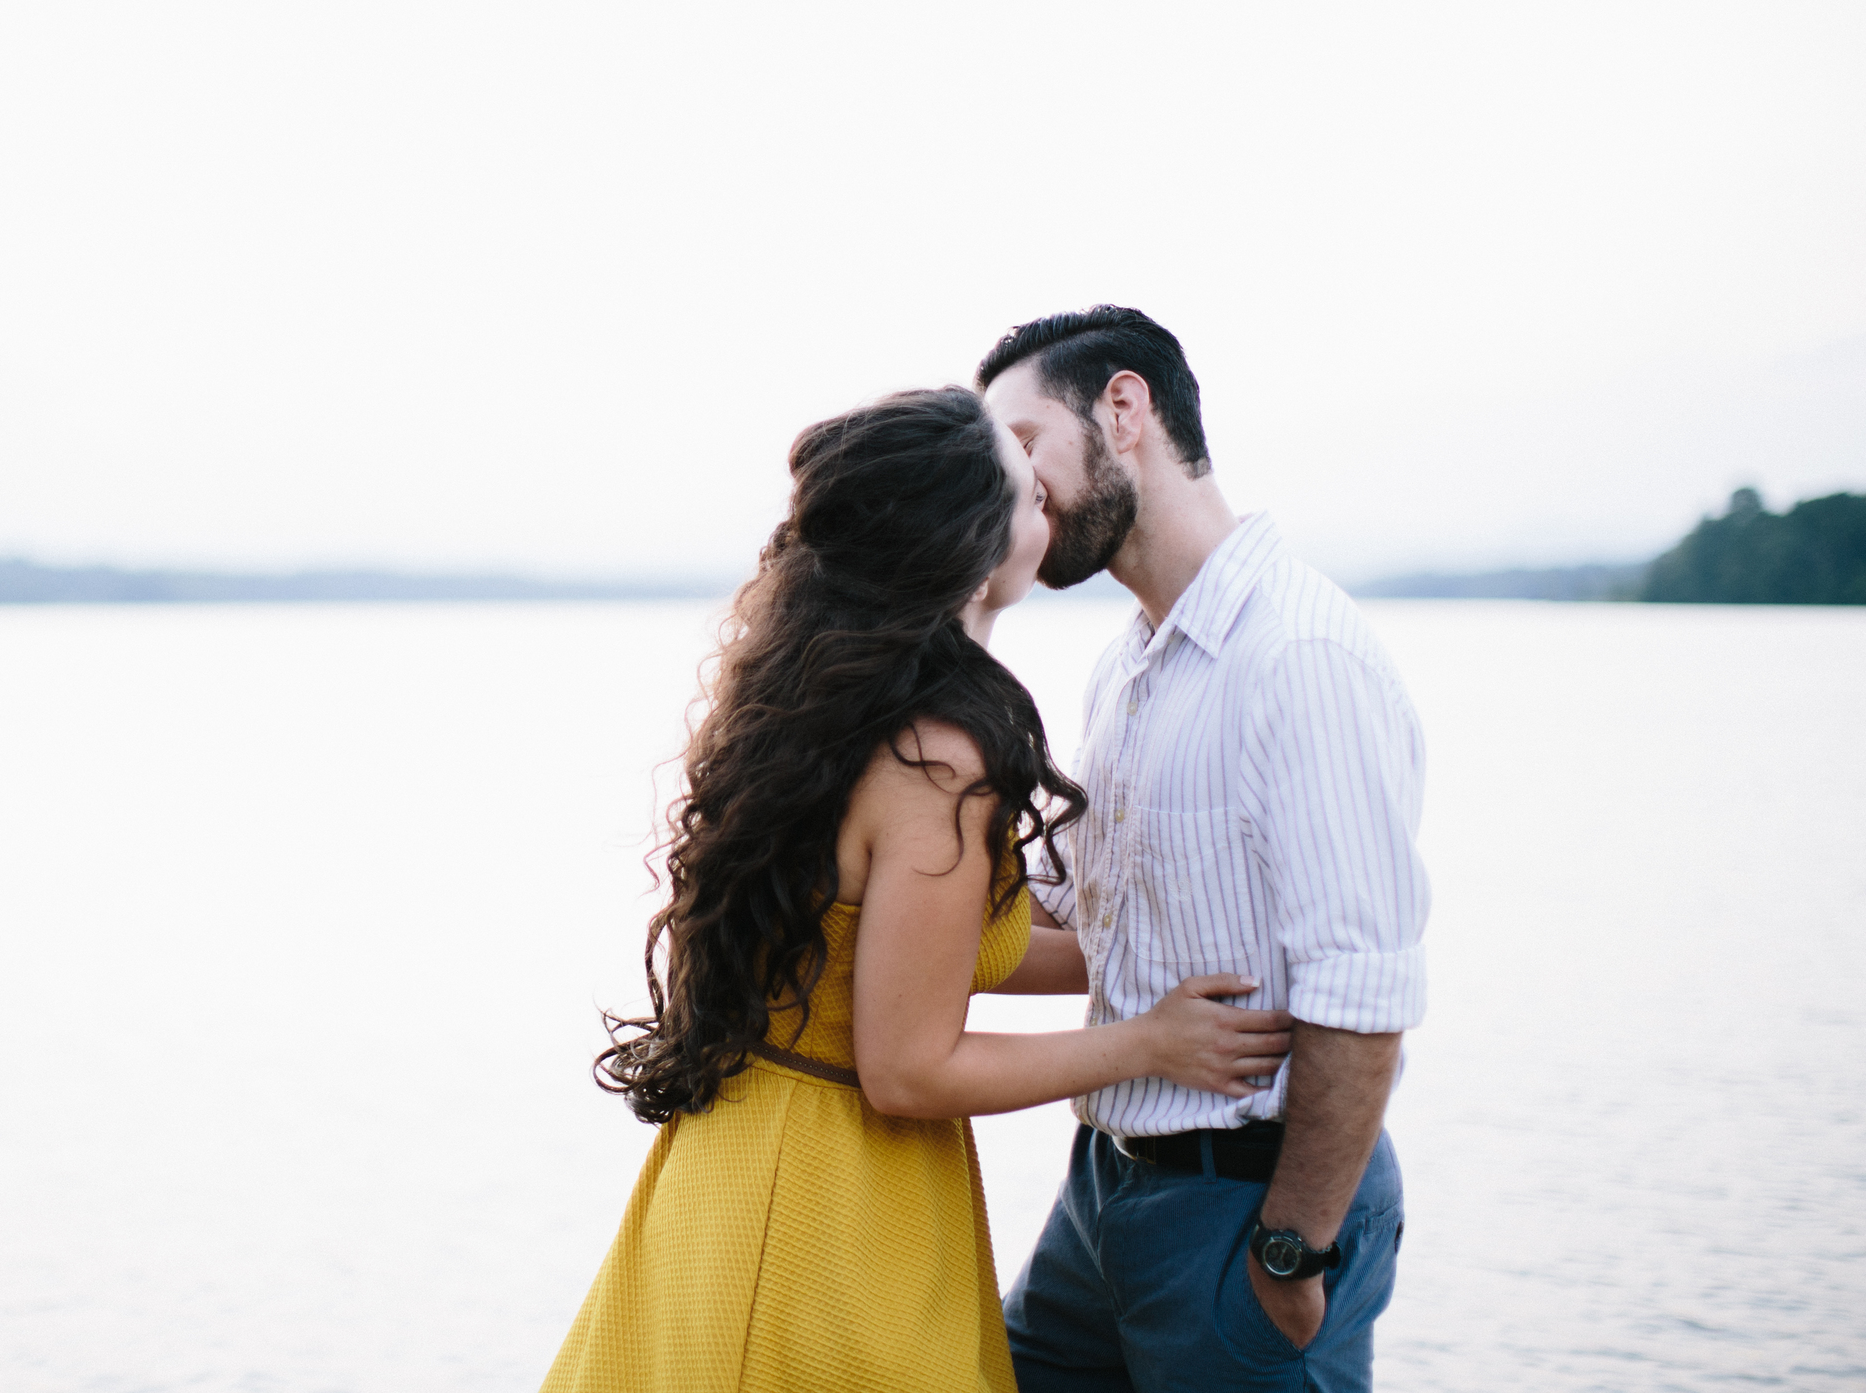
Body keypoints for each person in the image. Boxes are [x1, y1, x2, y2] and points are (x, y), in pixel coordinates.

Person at [541, 386, 1293, 1392]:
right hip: (825, 1209)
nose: (1052, 504)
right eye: (1029, 492)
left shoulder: (822, 704)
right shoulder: (939, 757)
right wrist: (1147, 1043)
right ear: (978, 549)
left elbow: (898, 959)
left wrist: (1138, 960)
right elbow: (909, 1065)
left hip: (735, 1165)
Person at [976, 307, 1428, 1393]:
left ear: (1122, 409)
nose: (1012, 485)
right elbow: (1074, 905)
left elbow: (1362, 993)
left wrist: (1289, 1250)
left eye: (1023, 442)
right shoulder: (1128, 667)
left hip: (1248, 1206)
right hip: (1103, 1191)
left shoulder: (1298, 655)